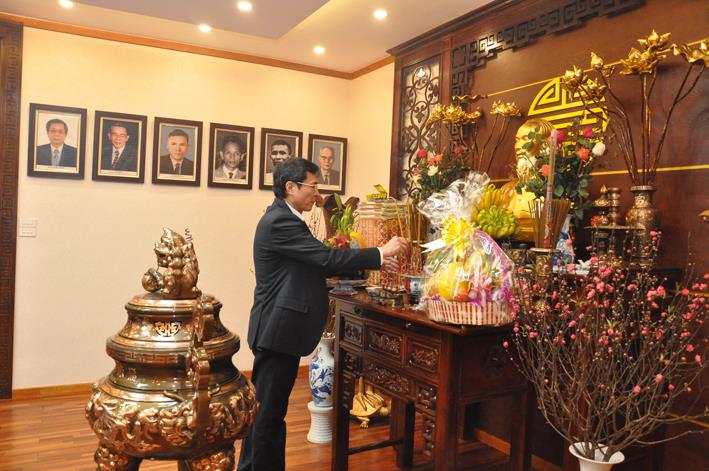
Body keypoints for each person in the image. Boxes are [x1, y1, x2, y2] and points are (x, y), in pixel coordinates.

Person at [237, 158, 409, 471]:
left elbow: (311, 265)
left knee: (268, 413)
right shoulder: (280, 221)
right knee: (268, 415)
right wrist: (380, 252)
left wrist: (370, 264)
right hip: (277, 331)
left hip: (279, 330)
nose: (317, 195)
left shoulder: (284, 218)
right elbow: (325, 257)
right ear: (291, 187)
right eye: (313, 186)